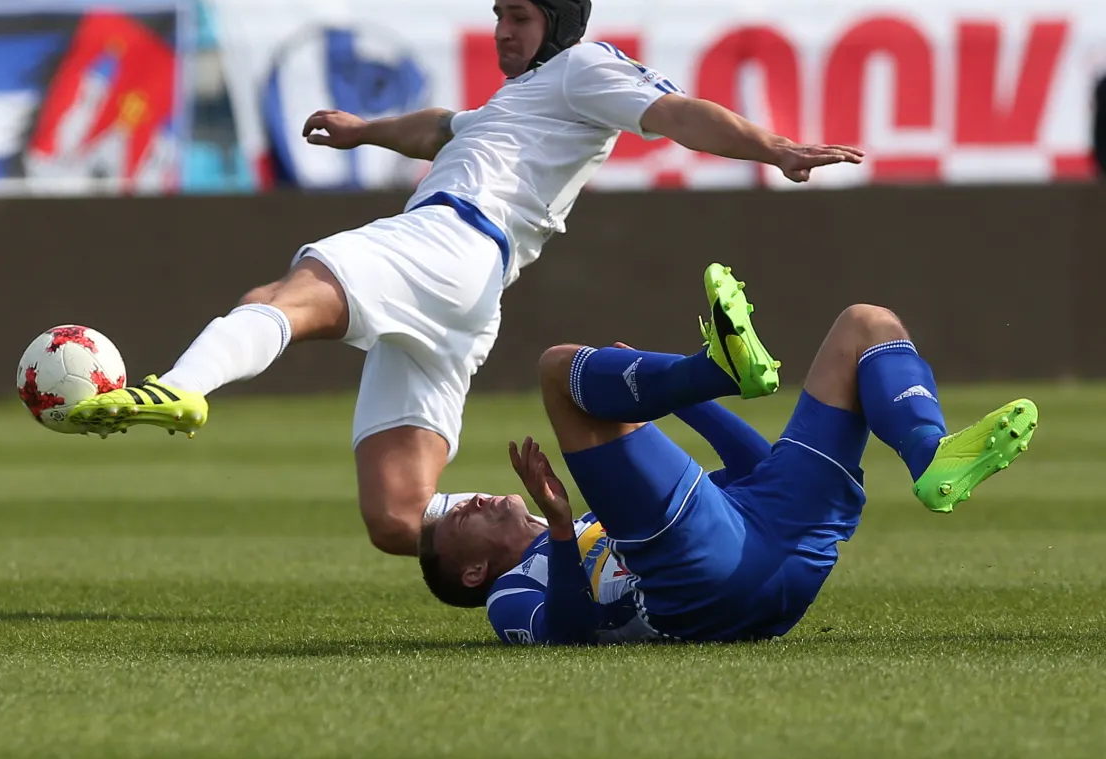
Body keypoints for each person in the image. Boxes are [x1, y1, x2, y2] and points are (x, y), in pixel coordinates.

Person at [64, 0, 864, 556]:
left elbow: (677, 113)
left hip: (446, 241)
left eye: (518, 15)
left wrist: (775, 148)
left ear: (558, 22)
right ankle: (585, 545)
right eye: (498, 14)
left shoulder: (585, 68)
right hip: (468, 293)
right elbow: (440, 127)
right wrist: (363, 130)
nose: (502, 30)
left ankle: (180, 388)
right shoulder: (517, 105)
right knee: (399, 517)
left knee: (284, 292)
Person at [418, 264, 1039, 645]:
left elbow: (754, 467)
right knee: (560, 371)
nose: (470, 498)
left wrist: (685, 402)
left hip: (785, 548)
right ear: (472, 571)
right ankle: (709, 368)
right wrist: (556, 526)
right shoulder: (506, 595)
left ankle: (930, 455)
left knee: (866, 324)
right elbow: (572, 631)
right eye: (460, 518)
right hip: (701, 591)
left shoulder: (597, 523)